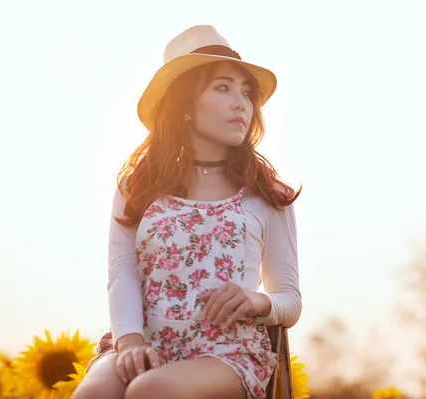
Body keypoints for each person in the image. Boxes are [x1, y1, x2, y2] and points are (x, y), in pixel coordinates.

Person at [72, 25, 302, 399]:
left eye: (246, 92)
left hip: (227, 353)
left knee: (151, 390)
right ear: (185, 106)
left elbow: (289, 301)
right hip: (142, 339)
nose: (241, 103)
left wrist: (257, 300)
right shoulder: (136, 187)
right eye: (222, 88)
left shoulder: (267, 194)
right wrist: (130, 342)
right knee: (92, 395)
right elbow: (123, 272)